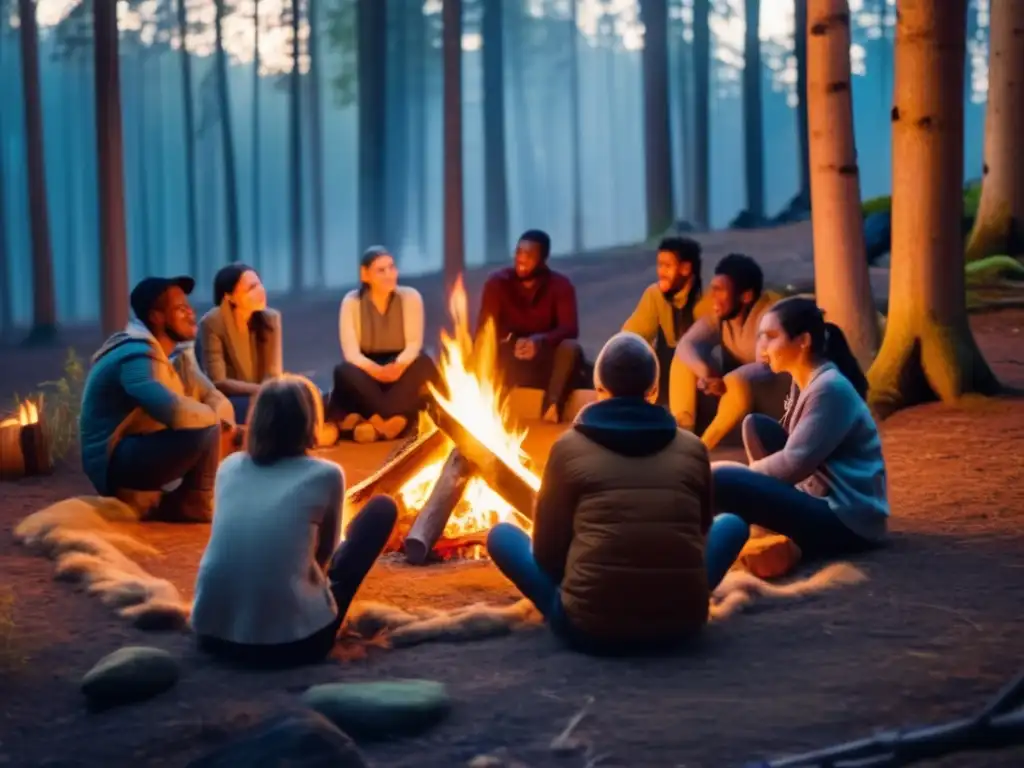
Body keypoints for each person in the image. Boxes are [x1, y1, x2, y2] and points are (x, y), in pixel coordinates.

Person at [485, 332, 750, 655]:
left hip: (589, 629)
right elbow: (701, 533)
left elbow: (548, 556)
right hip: (682, 625)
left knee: (502, 536)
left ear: (598, 390)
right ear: (654, 391)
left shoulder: (568, 448)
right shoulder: (692, 448)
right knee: (733, 524)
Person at [192, 375, 398, 668]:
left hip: (211, 635)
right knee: (382, 509)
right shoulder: (326, 474)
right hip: (294, 645)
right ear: (309, 421)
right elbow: (325, 556)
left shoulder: (228, 467)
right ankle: (300, 616)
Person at [712, 296, 887, 560]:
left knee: (722, 480)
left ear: (803, 341)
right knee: (756, 426)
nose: (763, 347)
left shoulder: (829, 388)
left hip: (848, 521)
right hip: (818, 492)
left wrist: (744, 475)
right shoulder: (804, 382)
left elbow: (794, 464)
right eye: (761, 337)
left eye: (771, 337)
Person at [78, 276, 235, 522]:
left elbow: (215, 397)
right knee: (208, 430)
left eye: (189, 307)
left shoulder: (173, 359)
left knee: (220, 429)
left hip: (142, 446)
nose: (191, 314)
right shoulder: (135, 356)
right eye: (180, 309)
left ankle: (187, 497)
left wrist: (222, 423)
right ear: (156, 317)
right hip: (115, 462)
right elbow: (174, 412)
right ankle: (196, 501)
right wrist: (218, 425)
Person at [674, 253, 788, 448]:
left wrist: (725, 381)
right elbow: (686, 346)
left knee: (737, 381)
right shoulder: (720, 316)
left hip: (775, 408)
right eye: (713, 289)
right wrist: (707, 374)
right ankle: (681, 432)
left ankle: (700, 449)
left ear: (746, 296)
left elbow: (766, 368)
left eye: (720, 290)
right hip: (734, 406)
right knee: (684, 361)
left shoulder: (770, 317)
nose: (713, 297)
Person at [328, 246, 440, 442]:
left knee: (424, 364)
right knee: (342, 371)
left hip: (400, 367)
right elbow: (351, 353)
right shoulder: (352, 302)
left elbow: (414, 344)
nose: (389, 274)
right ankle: (395, 418)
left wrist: (397, 367)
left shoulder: (410, 297)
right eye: (381, 270)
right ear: (365, 274)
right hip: (367, 371)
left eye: (391, 268)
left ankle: (375, 418)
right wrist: (377, 371)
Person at [475, 229, 586, 423]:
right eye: (519, 252)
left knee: (571, 349)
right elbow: (485, 329)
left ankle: (552, 408)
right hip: (511, 358)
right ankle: (484, 408)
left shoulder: (560, 285)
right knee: (482, 347)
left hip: (545, 359)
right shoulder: (497, 283)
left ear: (543, 259)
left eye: (529, 255)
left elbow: (570, 329)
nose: (521, 259)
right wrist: (512, 342)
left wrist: (539, 341)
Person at [622, 236, 711, 427]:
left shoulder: (708, 301)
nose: (660, 272)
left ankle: (683, 427)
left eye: (667, 265)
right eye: (659, 265)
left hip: (701, 381)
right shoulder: (655, 295)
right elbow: (631, 335)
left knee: (684, 355)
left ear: (686, 269)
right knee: (632, 351)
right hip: (664, 373)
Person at [196, 263, 282, 424]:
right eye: (251, 288)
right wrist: (262, 390)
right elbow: (218, 381)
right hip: (230, 397)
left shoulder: (271, 318)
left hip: (262, 393)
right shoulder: (213, 322)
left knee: (305, 396)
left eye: (259, 284)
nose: (260, 291)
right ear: (229, 297)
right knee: (269, 407)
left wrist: (271, 389)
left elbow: (273, 373)